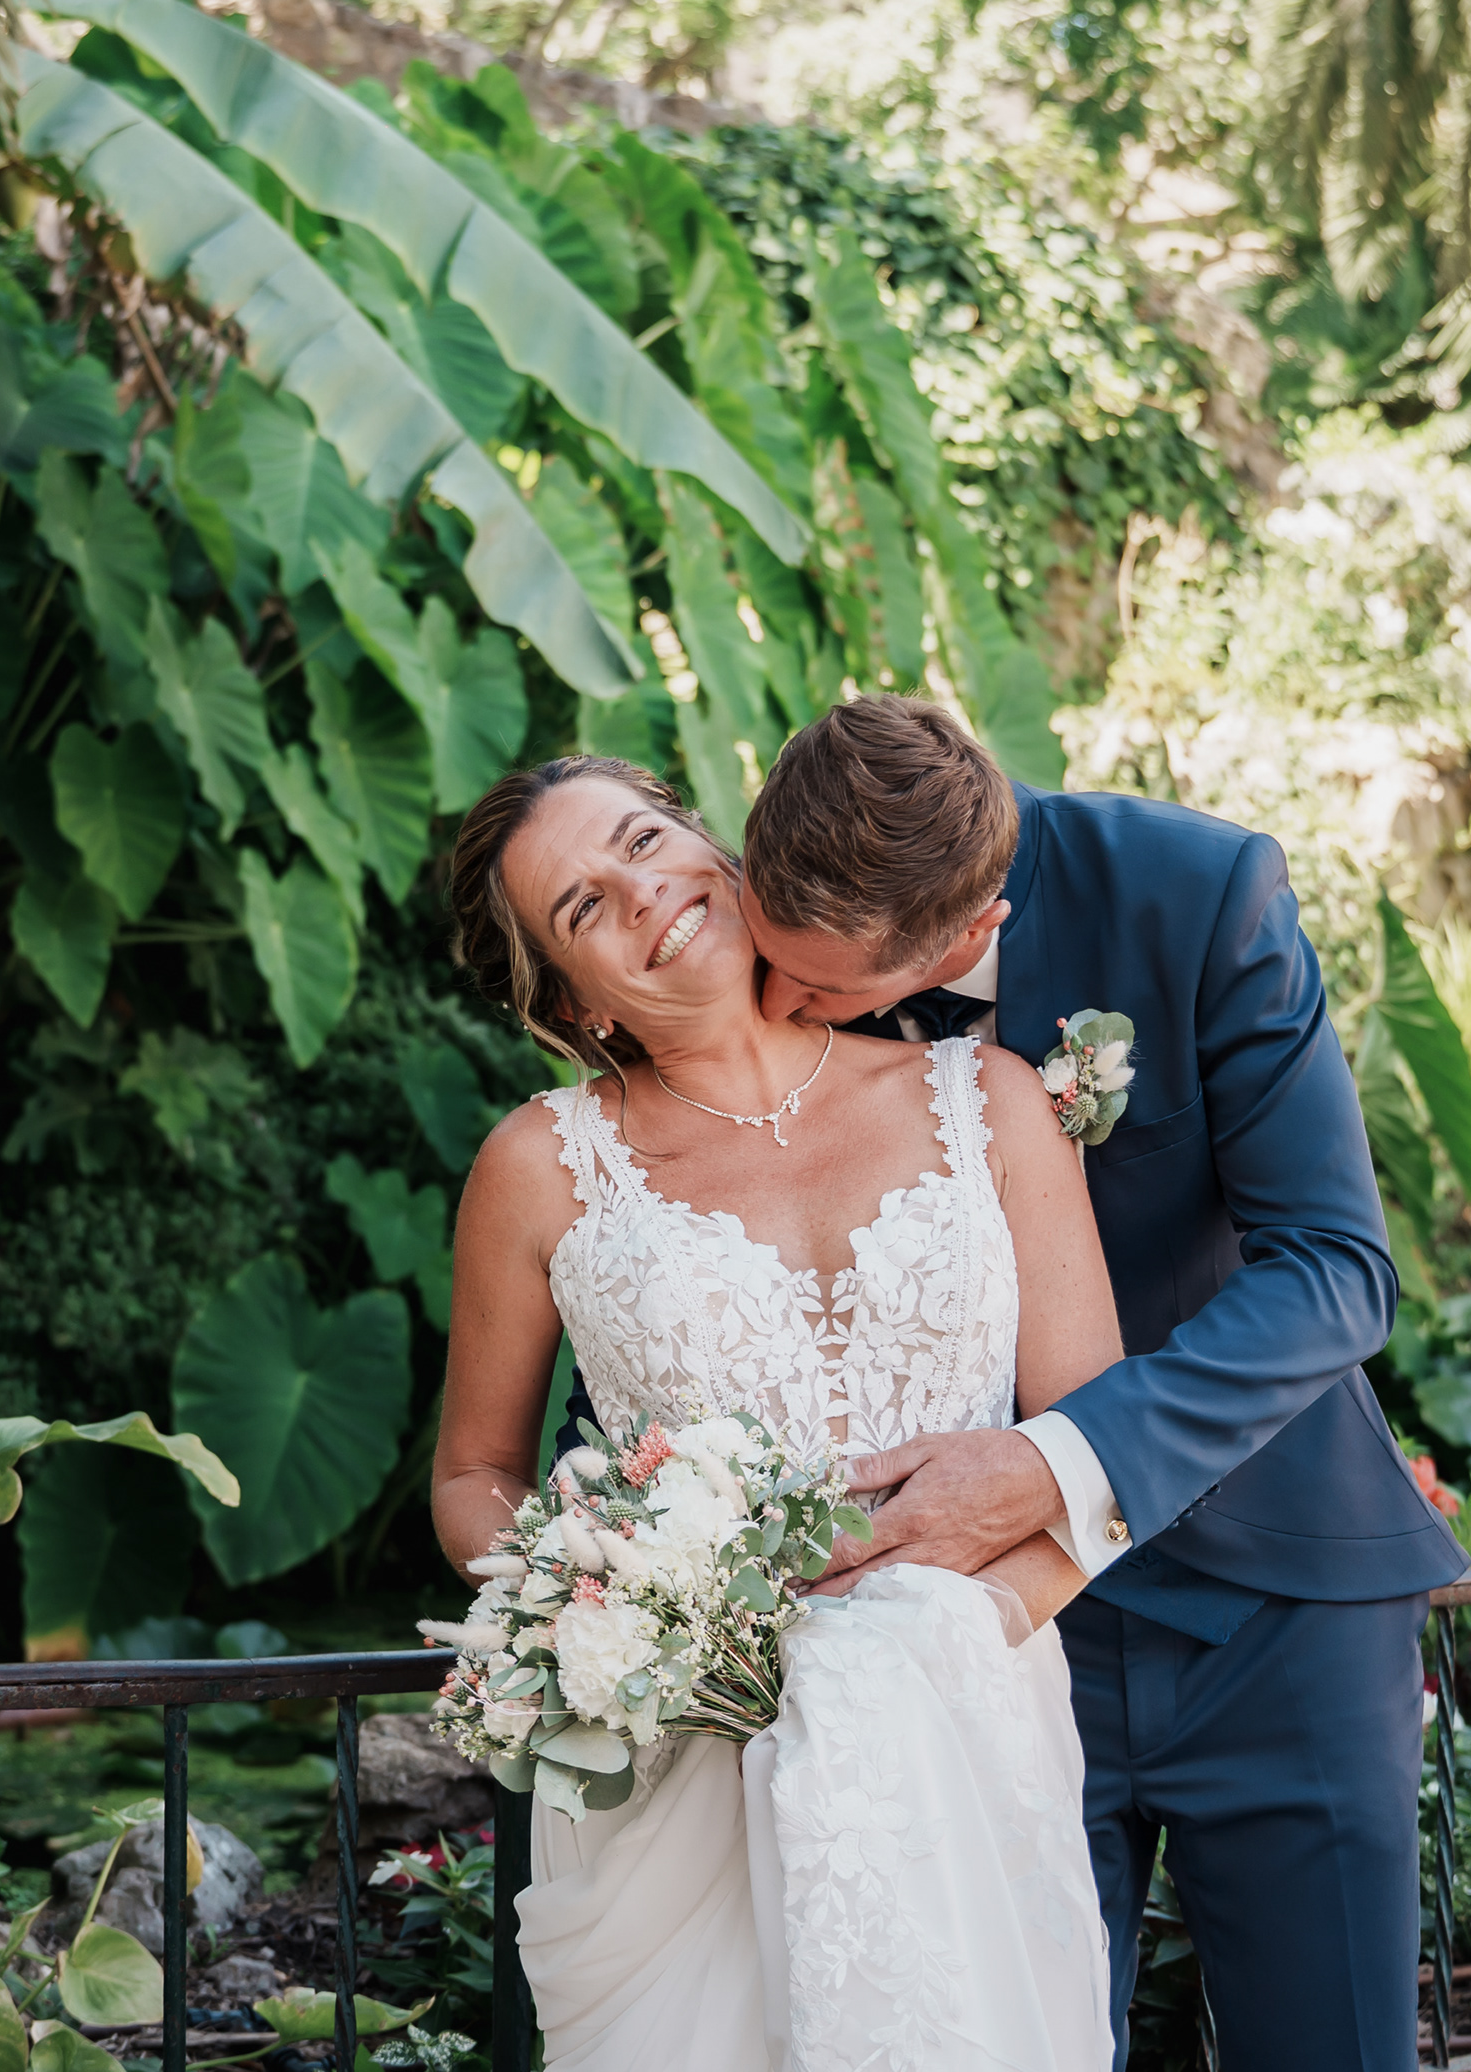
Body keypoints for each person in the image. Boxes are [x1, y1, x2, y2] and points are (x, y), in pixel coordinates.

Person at [734, 695, 1468, 2072]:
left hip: (1272, 1602)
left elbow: (1336, 1269)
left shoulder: (1196, 895)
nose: (776, 1011)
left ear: (966, 940)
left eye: (821, 993)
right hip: (966, 1632)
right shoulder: (762, 941)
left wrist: (1057, 1461)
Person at [430, 753, 1127, 2071]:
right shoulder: (537, 1168)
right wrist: (608, 1624)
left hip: (967, 1749)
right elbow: (474, 1473)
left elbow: (1102, 1453)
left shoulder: (991, 1100)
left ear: (712, 839)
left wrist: (955, 1628)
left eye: (643, 839)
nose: (640, 892)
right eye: (582, 907)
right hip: (679, 1789)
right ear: (569, 1001)